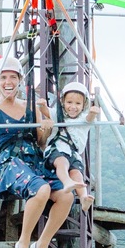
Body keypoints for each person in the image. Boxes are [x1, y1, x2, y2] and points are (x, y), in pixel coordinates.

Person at [0, 58, 75, 248]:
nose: (8, 82)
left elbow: (41, 140)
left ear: (19, 80)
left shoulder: (30, 106)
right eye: (4, 77)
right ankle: (24, 242)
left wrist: (46, 125)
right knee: (42, 190)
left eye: (13, 77)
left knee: (66, 196)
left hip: (34, 160)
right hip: (10, 162)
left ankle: (42, 244)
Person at [37, 81, 98, 210]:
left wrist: (93, 112)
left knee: (76, 172)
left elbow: (89, 119)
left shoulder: (83, 119)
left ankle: (83, 198)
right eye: (69, 103)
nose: (73, 107)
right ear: (63, 102)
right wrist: (42, 105)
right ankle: (67, 181)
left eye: (77, 104)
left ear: (84, 105)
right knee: (62, 162)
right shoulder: (58, 114)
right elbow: (47, 112)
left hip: (73, 153)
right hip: (57, 150)